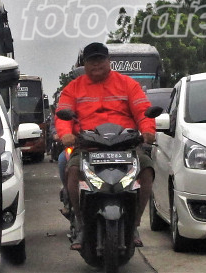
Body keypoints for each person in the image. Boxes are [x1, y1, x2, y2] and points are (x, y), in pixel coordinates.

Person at [56, 42, 156, 251]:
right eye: (91, 61)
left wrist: (148, 130)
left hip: (124, 146)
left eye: (100, 60)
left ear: (109, 61)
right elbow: (62, 115)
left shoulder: (128, 84)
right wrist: (66, 135)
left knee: (147, 168)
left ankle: (135, 223)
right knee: (71, 170)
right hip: (88, 147)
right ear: (84, 64)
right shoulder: (72, 88)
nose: (96, 64)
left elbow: (143, 110)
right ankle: (80, 222)